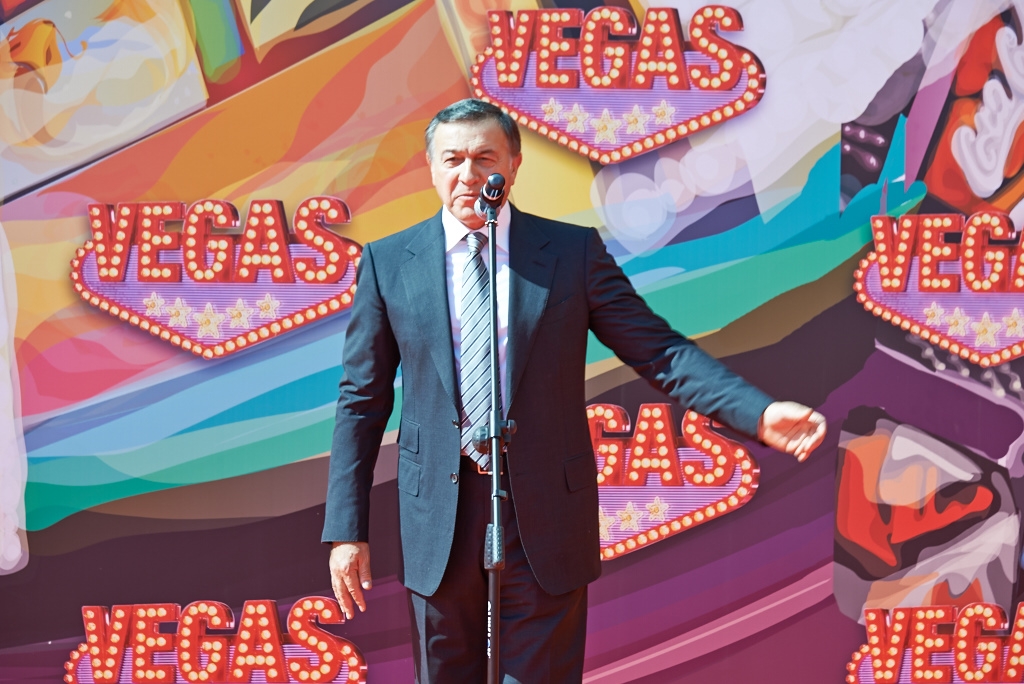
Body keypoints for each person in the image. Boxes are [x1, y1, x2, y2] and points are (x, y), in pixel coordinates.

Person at [322, 98, 826, 683]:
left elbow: (658, 350)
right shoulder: (389, 263)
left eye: (485, 158)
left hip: (543, 515)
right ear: (431, 168)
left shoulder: (570, 252)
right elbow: (361, 400)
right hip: (438, 514)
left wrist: (755, 412)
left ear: (513, 165)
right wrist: (346, 529)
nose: (468, 174)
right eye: (452, 159)